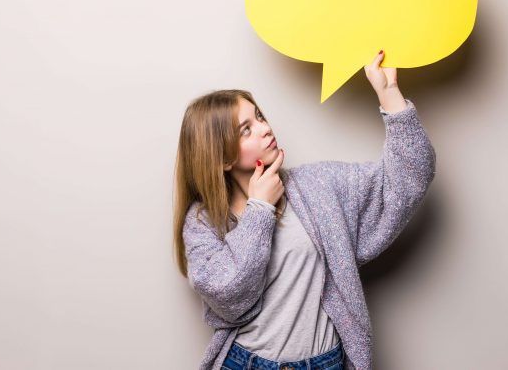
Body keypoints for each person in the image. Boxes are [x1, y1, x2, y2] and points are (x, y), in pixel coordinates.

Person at [173, 50, 437, 370]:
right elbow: (229, 297)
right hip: (245, 364)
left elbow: (409, 178)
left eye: (259, 117)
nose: (265, 128)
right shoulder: (203, 222)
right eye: (246, 129)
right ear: (222, 158)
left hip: (325, 363)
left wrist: (388, 93)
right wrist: (259, 209)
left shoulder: (317, 187)